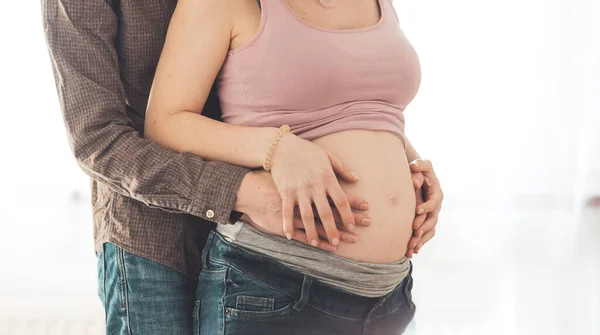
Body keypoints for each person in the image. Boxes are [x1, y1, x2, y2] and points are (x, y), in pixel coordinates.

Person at [41, 0, 443, 333]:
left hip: (343, 269)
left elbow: (331, 94)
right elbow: (100, 140)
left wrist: (408, 172)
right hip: (158, 235)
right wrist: (249, 187)